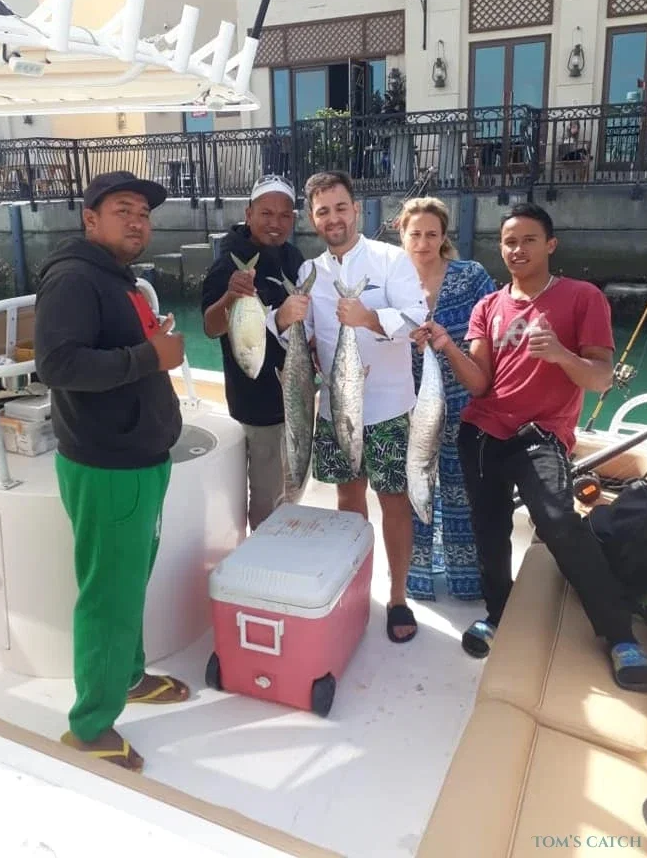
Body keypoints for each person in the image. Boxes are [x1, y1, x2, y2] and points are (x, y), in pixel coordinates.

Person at [413, 202, 647, 691]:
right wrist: (447, 345)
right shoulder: (489, 306)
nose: (517, 249)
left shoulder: (582, 297)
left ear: (550, 245)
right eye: (509, 242)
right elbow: (480, 384)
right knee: (489, 530)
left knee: (559, 522)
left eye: (528, 240)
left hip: (541, 436)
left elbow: (601, 378)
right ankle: (497, 613)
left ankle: (619, 635)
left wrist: (561, 355)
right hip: (482, 433)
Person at [35, 170, 190, 773]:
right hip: (108, 465)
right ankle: (90, 726)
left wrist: (152, 342)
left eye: (144, 214)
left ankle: (127, 676)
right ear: (90, 218)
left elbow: (116, 351)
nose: (137, 221)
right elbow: (58, 364)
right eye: (123, 209)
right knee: (108, 595)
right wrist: (150, 355)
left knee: (129, 582)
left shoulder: (115, 277)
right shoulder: (74, 278)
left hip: (139, 457)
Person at [271, 171, 427, 643]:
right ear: (312, 218)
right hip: (334, 406)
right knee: (347, 499)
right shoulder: (308, 272)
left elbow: (417, 320)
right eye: (323, 211)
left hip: (388, 408)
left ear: (356, 209)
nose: (333, 218)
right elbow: (299, 342)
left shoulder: (392, 260)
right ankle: (357, 589)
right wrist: (281, 319)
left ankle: (397, 597)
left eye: (341, 207)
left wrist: (369, 317)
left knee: (394, 501)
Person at [399, 197, 496, 602]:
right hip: (410, 407)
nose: (423, 243)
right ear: (402, 234)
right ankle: (416, 578)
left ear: (443, 237)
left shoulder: (471, 276)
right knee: (415, 485)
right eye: (415, 234)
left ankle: (467, 581)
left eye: (432, 234)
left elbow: (495, 328)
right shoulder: (392, 282)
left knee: (462, 492)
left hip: (463, 403)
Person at [201, 174, 305, 530]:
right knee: (267, 501)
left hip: (296, 397)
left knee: (292, 489)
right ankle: (263, 555)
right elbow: (210, 327)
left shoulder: (293, 257)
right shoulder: (226, 266)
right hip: (258, 407)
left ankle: (281, 549)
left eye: (285, 215)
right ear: (249, 214)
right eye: (266, 213)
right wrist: (231, 297)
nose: (276, 223)